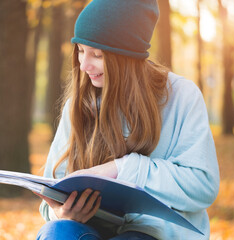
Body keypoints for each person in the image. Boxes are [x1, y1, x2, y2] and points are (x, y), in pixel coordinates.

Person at [35, 0, 220, 239]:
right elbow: (52, 187)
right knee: (57, 232)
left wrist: (121, 169)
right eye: (80, 51)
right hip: (90, 229)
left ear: (127, 57)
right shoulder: (78, 104)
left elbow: (202, 186)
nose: (83, 65)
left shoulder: (182, 96)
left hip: (155, 234)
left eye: (97, 55)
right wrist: (61, 212)